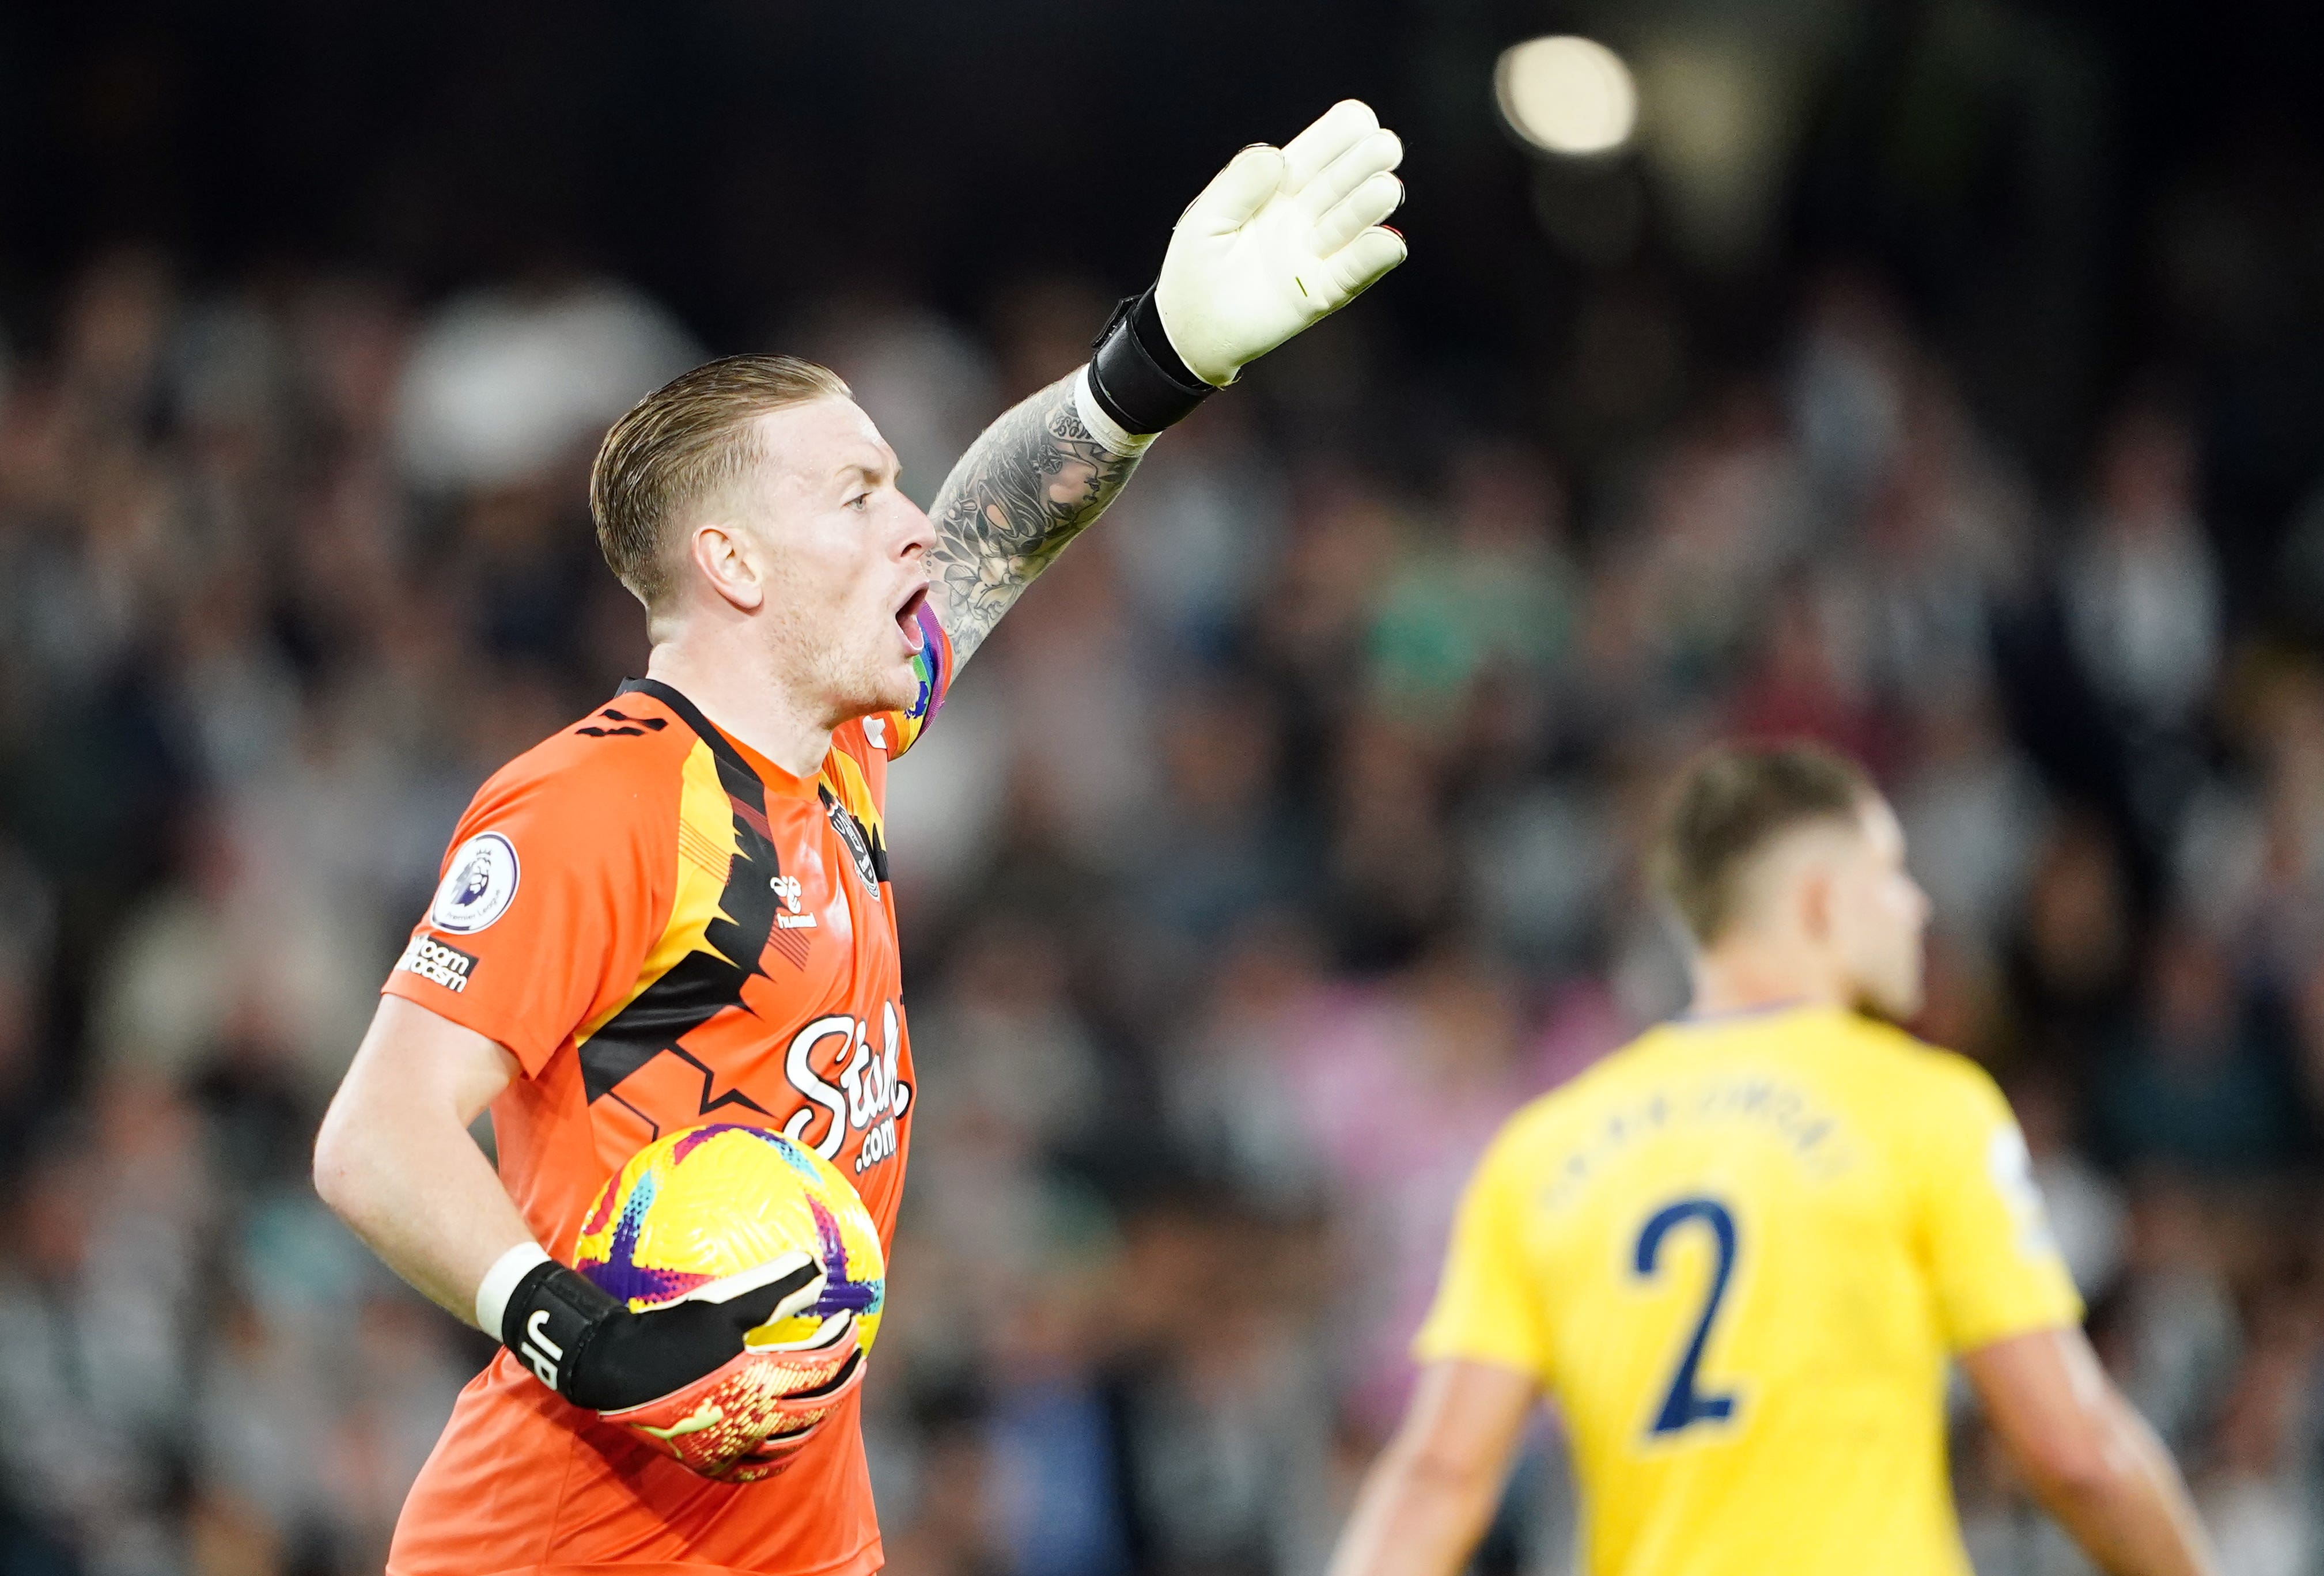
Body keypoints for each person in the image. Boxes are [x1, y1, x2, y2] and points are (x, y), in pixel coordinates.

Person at [312, 100, 1407, 1576]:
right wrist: (571, 1330)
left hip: (798, 1538)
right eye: (858, 493)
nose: (911, 525)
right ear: (732, 563)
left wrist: (1152, 366)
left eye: (894, 482)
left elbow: (992, 534)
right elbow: (375, 1138)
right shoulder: (604, 799)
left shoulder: (840, 750)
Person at [1327, 743, 2220, 1576]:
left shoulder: (1543, 1150)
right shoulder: (1922, 1108)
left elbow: (1440, 1476)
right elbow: (2074, 1452)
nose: (1917, 906)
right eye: (1891, 875)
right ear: (1822, 900)